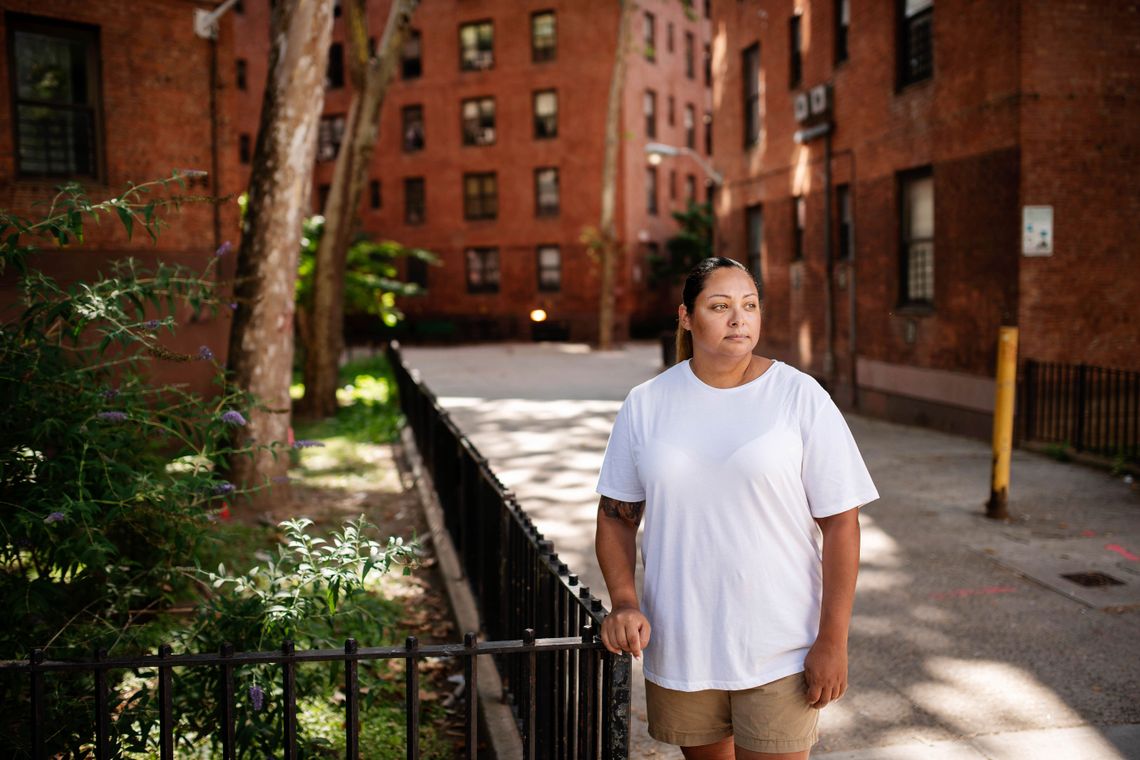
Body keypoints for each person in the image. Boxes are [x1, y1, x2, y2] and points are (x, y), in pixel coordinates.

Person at [595, 257, 878, 760]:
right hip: (684, 647)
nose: (738, 319)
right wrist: (623, 600)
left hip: (780, 647)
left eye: (749, 306)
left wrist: (833, 640)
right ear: (686, 317)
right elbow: (617, 516)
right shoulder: (647, 403)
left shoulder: (799, 396)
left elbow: (841, 523)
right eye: (719, 306)